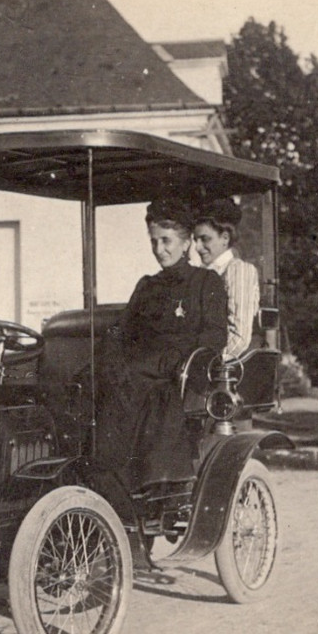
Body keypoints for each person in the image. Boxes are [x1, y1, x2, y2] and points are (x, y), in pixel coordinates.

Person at [95, 196, 229, 490]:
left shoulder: (206, 283)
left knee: (134, 388)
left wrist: (181, 362)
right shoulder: (147, 286)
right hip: (139, 365)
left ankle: (124, 480)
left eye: (166, 241)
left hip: (176, 372)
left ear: (185, 243)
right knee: (91, 380)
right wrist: (111, 356)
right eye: (154, 241)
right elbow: (120, 330)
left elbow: (214, 335)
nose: (159, 249)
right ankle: (97, 473)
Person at [192, 196, 262, 359]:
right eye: (196, 240)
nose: (197, 247)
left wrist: (201, 364)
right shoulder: (202, 274)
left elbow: (239, 339)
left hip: (224, 368)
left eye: (205, 239)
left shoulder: (238, 271)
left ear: (225, 238)